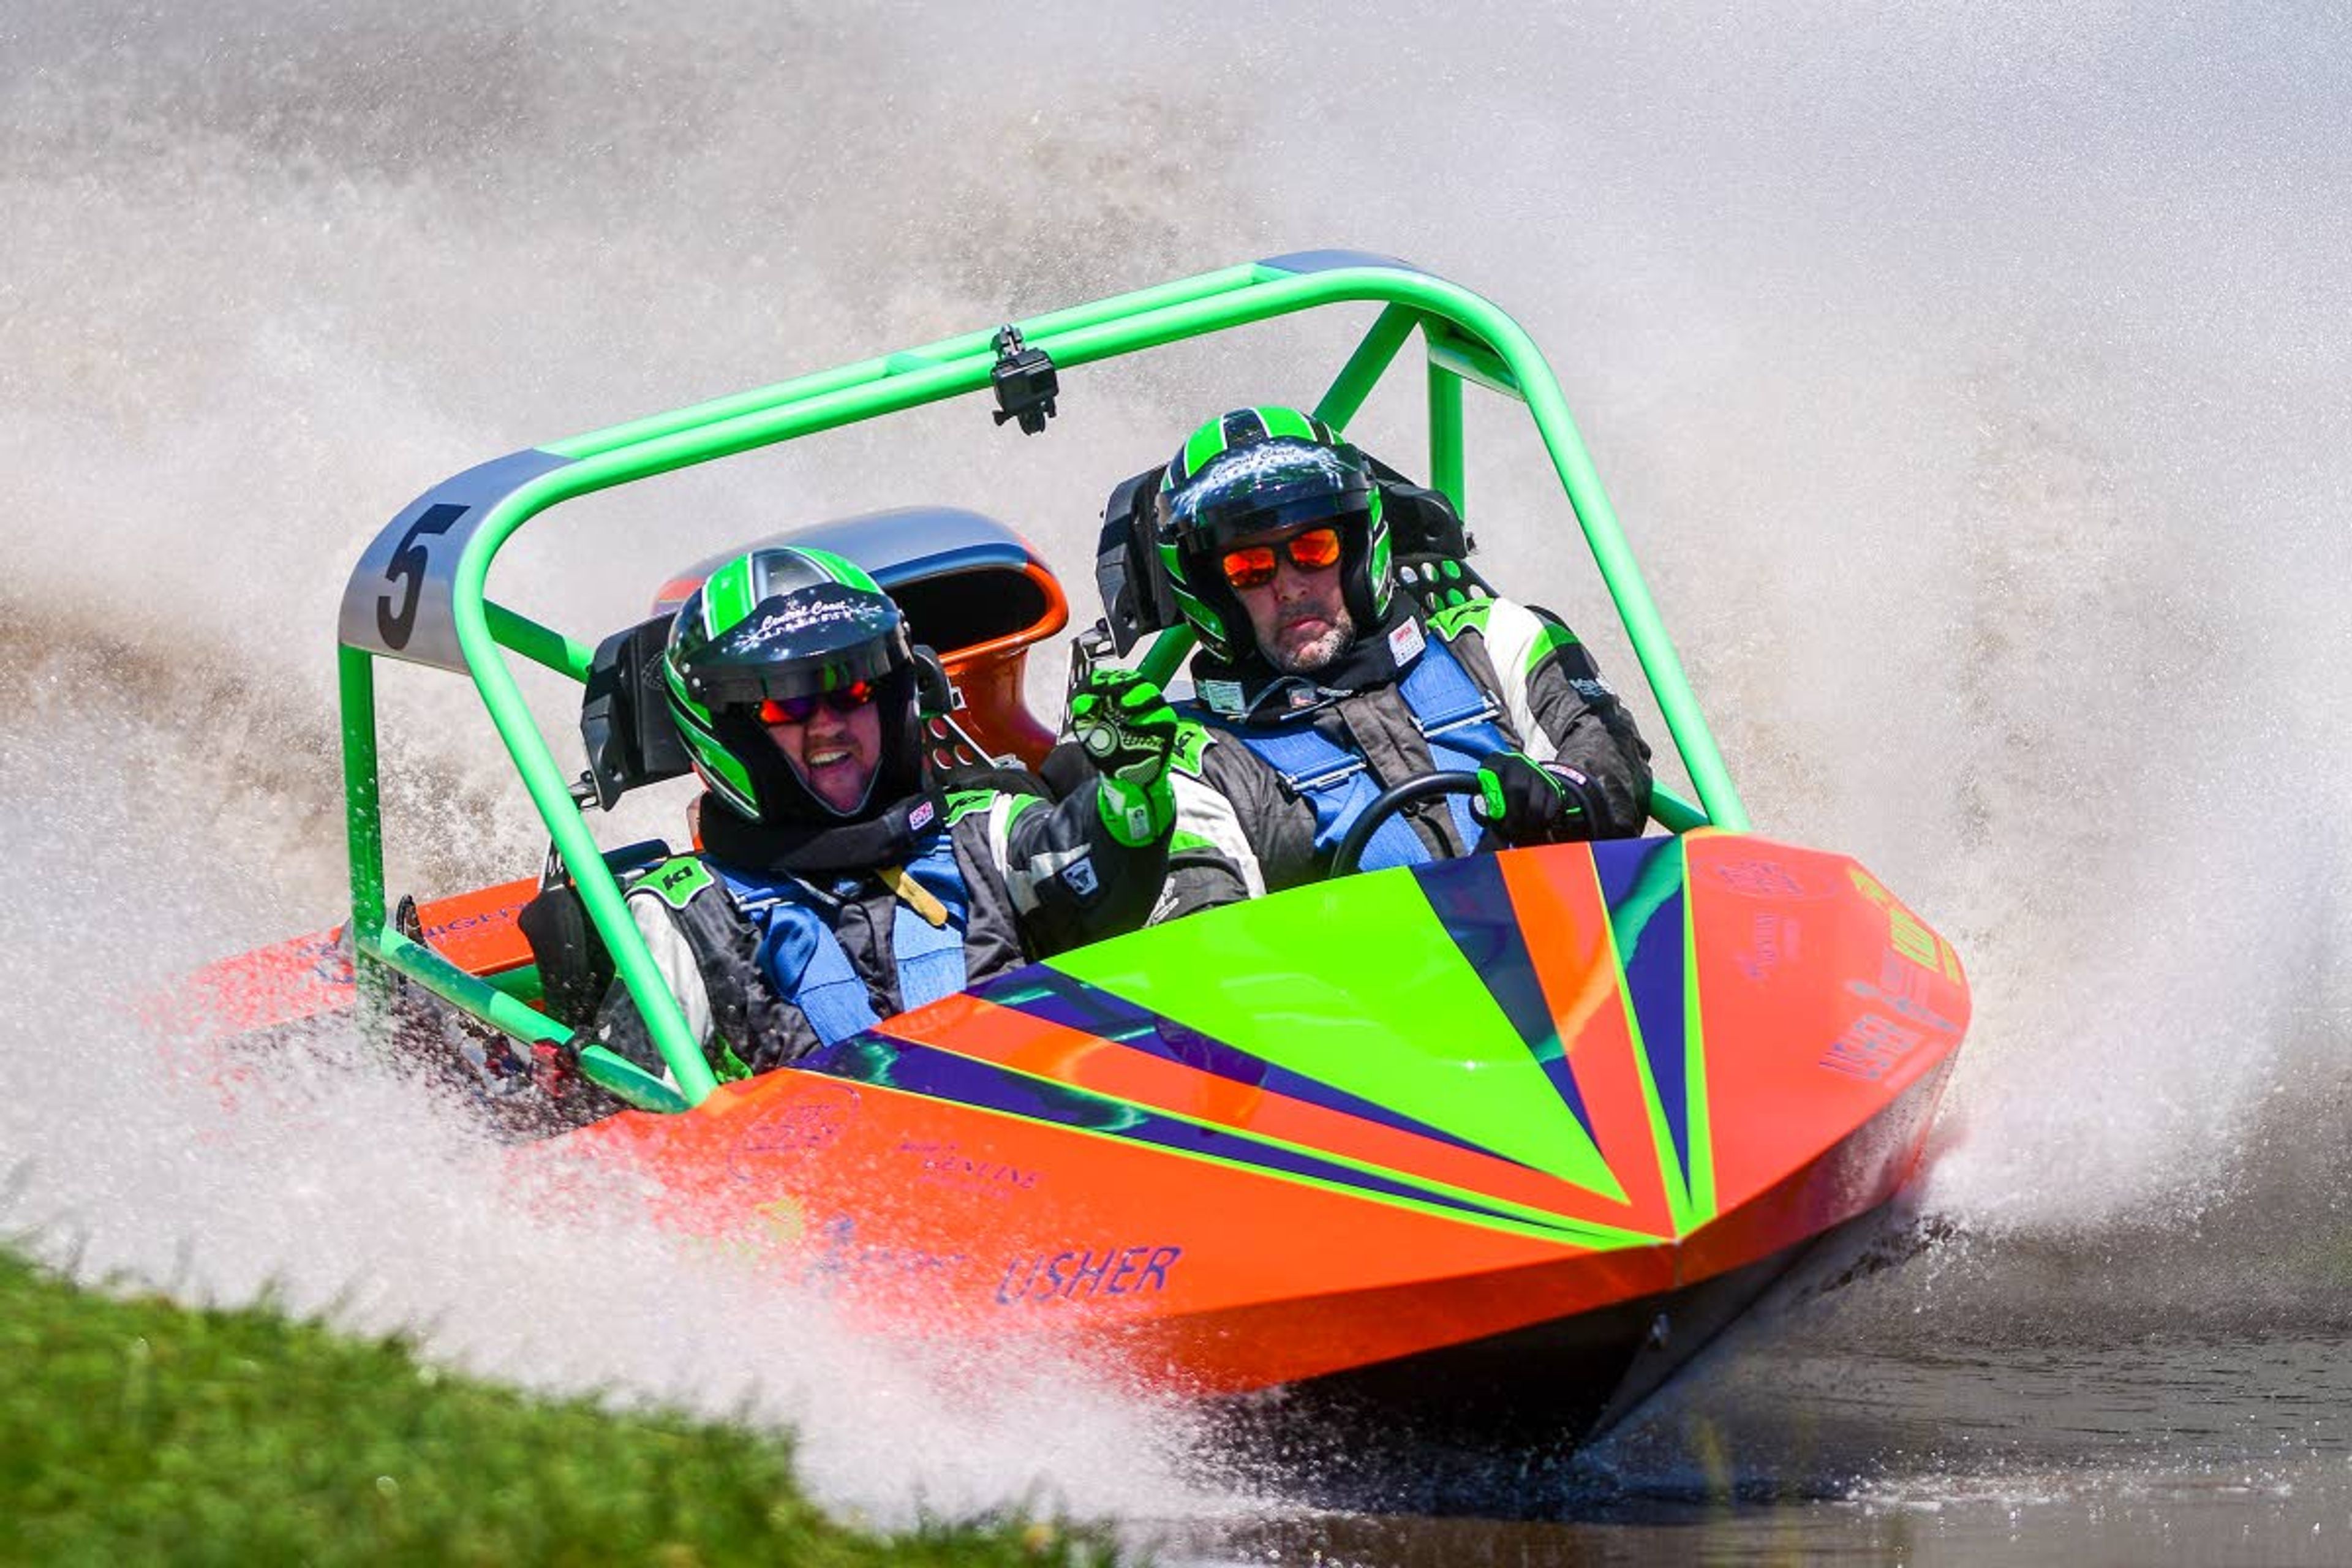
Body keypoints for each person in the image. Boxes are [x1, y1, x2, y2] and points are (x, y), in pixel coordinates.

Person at [570, 544, 1178, 1090]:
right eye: (792, 701)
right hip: (827, 1198)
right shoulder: (686, 915)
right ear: (728, 731)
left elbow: (1092, 872)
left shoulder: (980, 828)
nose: (829, 722)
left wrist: (1134, 792)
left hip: (1050, 1153)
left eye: (854, 689)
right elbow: (626, 1139)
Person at [1145, 406, 1653, 920]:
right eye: (1249, 567)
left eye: (1313, 548)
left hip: (1574, 960)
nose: (1290, 585)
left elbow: (1613, 762)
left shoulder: (1496, 639)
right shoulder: (1187, 760)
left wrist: (1561, 790)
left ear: (1360, 549)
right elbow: (1206, 934)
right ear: (1213, 591)